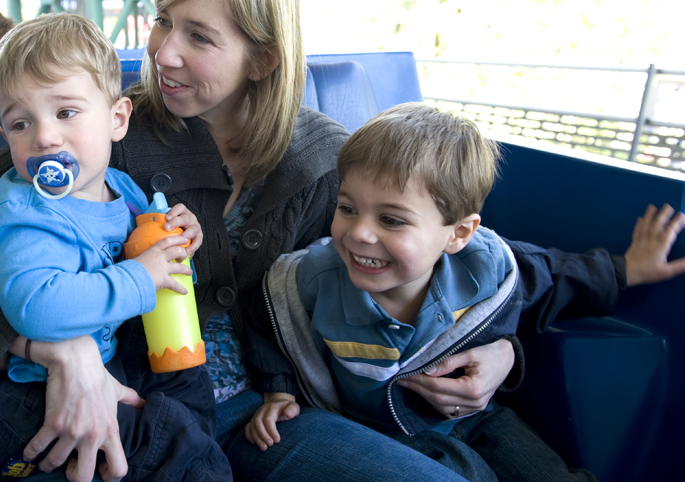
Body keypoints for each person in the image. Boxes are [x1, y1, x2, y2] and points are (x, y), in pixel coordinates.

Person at [0, 0, 616, 482]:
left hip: (276, 410)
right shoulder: (105, 131)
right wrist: (56, 345)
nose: (162, 52)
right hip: (147, 399)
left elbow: (461, 257)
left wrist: (502, 350)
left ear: (262, 58)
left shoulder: (325, 159)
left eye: (198, 36)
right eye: (162, 20)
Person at [245, 103, 685, 482]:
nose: (359, 233)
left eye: (392, 220)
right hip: (376, 430)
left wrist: (630, 269)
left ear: (458, 234)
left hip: (479, 420)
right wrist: (279, 389)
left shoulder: (483, 268)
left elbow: (556, 274)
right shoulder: (313, 277)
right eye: (347, 208)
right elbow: (269, 317)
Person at [0, 12, 230, 480]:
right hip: (26, 397)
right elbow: (37, 309)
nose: (45, 137)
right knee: (184, 456)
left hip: (117, 363)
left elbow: (154, 270)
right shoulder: (25, 209)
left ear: (116, 118)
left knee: (192, 396)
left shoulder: (124, 189)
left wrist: (177, 244)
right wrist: (140, 275)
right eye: (20, 124)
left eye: (65, 112)